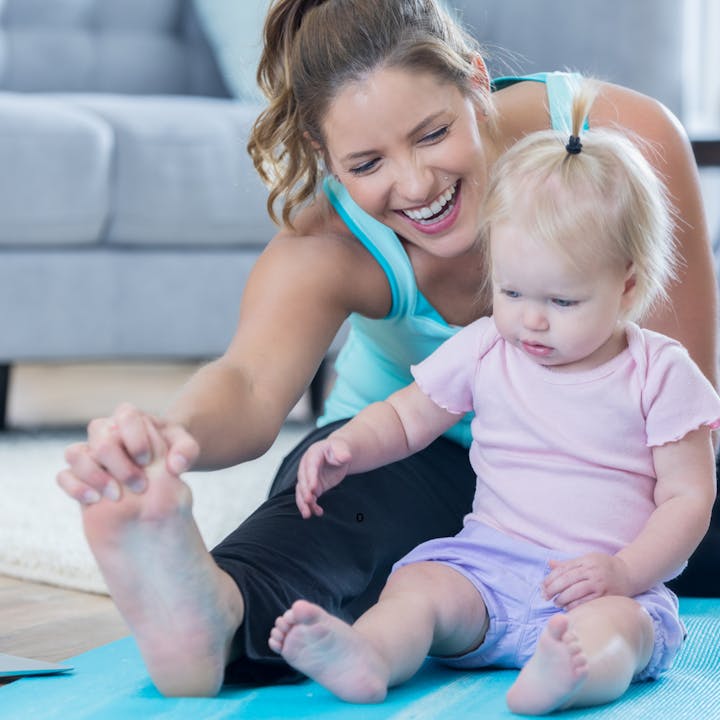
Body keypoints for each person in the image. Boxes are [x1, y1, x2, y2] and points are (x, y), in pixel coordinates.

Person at [55, 0, 718, 698]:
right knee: (339, 502)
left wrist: (620, 555)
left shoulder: (616, 145)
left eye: (431, 134)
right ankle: (215, 614)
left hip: (612, 470)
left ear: (475, 81)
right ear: (324, 157)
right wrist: (165, 437)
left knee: (689, 511)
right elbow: (248, 385)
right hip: (419, 461)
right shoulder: (327, 246)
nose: (416, 184)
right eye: (367, 162)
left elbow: (681, 409)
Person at [267, 82, 720, 715]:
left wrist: (627, 573)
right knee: (419, 589)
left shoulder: (660, 371)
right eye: (511, 293)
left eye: (562, 302)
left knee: (621, 633)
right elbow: (406, 418)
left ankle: (568, 677)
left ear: (627, 286)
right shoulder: (487, 347)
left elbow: (689, 497)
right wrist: (349, 446)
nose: (531, 321)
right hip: (488, 571)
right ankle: (367, 654)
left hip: (605, 584)